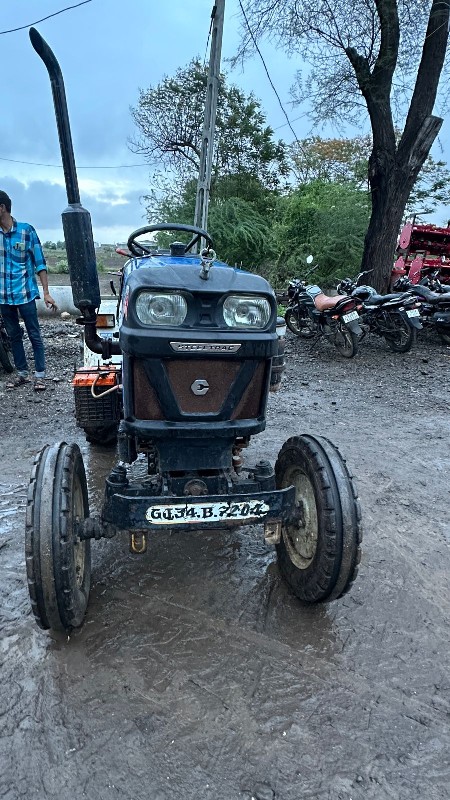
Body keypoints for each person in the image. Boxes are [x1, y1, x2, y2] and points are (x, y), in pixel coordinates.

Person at [0, 190, 58, 391]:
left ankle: (40, 375)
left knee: (34, 334)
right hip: (3, 297)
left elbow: (39, 263)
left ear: (2, 208)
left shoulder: (26, 231)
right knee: (13, 335)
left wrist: (46, 292)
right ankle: (22, 373)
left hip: (25, 294)